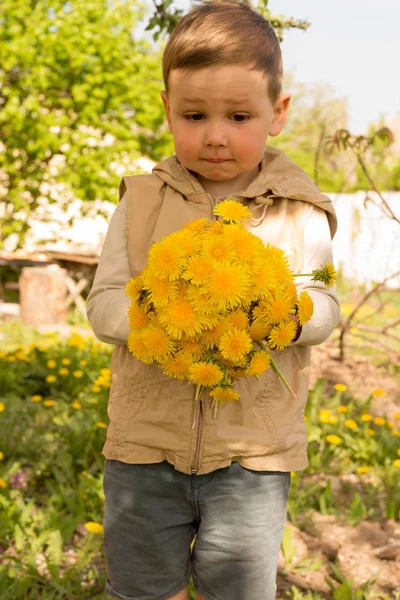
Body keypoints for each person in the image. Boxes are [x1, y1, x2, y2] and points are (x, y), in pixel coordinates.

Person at [86, 2, 340, 599]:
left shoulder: (300, 210)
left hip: (252, 457)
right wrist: (163, 316)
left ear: (277, 113)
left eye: (239, 115)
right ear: (167, 109)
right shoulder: (140, 202)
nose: (216, 135)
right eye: (195, 115)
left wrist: (281, 316)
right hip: (144, 448)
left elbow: (324, 304)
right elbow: (101, 303)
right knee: (144, 587)